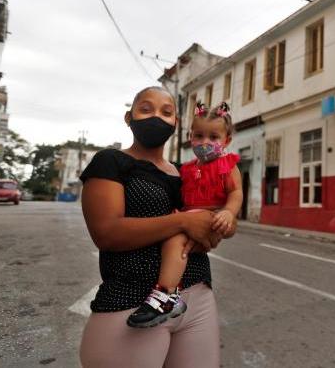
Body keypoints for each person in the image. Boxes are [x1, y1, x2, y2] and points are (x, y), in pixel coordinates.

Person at [79, 86, 234, 367]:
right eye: (146, 109)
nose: (156, 117)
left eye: (167, 112)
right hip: (132, 301)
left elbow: (209, 225)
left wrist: (213, 228)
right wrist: (184, 221)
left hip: (198, 298)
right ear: (129, 117)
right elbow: (106, 233)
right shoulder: (111, 161)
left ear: (176, 123)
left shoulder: (186, 172)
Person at [127, 101, 242, 328]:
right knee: (177, 243)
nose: (205, 142)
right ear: (190, 136)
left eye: (213, 137)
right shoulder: (188, 168)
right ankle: (171, 292)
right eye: (199, 136)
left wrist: (229, 213)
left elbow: (235, 192)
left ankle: (167, 295)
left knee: (176, 241)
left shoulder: (227, 164)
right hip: (193, 218)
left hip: (215, 216)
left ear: (226, 140)